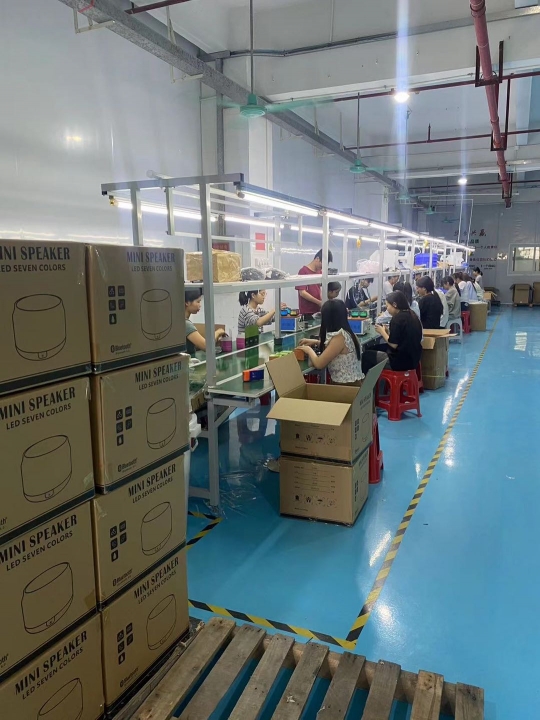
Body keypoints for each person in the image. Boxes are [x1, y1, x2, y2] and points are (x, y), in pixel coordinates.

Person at [298, 299, 363, 385]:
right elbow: (334, 349)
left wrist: (308, 350)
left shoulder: (339, 338)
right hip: (354, 384)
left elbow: (319, 364)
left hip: (345, 387)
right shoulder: (348, 333)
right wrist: (316, 342)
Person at [361, 290, 423, 374]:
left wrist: (382, 332)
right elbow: (401, 338)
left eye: (387, 306)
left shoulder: (397, 319)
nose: (387, 309)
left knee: (366, 355)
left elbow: (393, 345)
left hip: (400, 362)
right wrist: (387, 332)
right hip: (414, 359)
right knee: (374, 348)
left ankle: (368, 381)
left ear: (394, 304)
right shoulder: (412, 315)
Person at [185, 288, 226, 354]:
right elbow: (206, 346)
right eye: (198, 302)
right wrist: (218, 332)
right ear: (187, 302)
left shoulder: (181, 321)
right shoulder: (186, 324)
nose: (200, 305)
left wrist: (215, 339)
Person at [295, 249, 333, 319]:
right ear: (317, 259)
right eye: (322, 264)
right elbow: (302, 293)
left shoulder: (320, 272)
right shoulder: (303, 271)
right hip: (307, 312)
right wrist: (318, 302)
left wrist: (323, 301)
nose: (322, 267)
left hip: (318, 310)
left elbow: (319, 289)